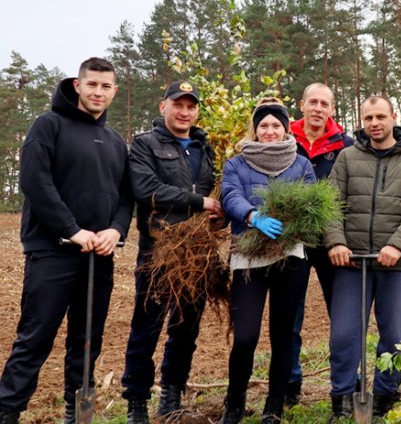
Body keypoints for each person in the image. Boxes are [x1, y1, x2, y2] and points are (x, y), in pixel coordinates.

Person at [0, 58, 133, 424]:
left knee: (86, 342)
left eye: (106, 87)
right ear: (77, 85)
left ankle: (78, 415)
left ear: (114, 91)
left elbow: (126, 196)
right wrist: (72, 230)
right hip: (52, 251)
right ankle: (8, 411)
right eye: (92, 85)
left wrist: (116, 230)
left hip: (99, 256)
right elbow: (35, 182)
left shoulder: (114, 140)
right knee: (35, 338)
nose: (98, 92)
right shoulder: (48, 125)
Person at [326, 96, 401, 420]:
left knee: (393, 336)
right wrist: (336, 242)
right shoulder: (346, 157)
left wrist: (398, 245)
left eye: (380, 116)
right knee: (344, 335)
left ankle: (386, 394)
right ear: (361, 120)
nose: (374, 123)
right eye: (368, 117)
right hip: (352, 263)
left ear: (393, 117)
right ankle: (342, 398)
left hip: (396, 265)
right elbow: (330, 203)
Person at [121, 81, 224, 423]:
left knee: (186, 328)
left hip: (196, 253)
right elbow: (146, 189)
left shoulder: (203, 147)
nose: (184, 112)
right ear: (163, 106)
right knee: (146, 327)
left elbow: (214, 191)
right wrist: (200, 202)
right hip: (159, 250)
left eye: (190, 106)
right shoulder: (145, 144)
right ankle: (136, 402)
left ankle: (171, 394)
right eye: (177, 104)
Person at [218, 98, 316, 424]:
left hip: (290, 257)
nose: (270, 130)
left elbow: (311, 201)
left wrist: (296, 222)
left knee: (283, 334)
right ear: (256, 130)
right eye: (264, 126)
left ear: (286, 129)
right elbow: (230, 195)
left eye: (276, 125)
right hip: (248, 257)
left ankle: (273, 408)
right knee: (245, 335)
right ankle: (234, 405)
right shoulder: (236, 163)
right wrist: (252, 215)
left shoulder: (301, 164)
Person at [286, 83, 353, 405]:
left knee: (341, 316)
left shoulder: (345, 145)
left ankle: (345, 384)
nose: (317, 108)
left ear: (331, 109)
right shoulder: (283, 140)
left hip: (332, 242)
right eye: (312, 101)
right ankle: (290, 382)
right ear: (302, 104)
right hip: (292, 240)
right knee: (290, 314)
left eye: (324, 103)